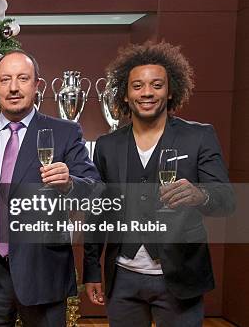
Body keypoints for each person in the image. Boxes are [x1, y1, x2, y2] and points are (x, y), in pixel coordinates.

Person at [83, 41, 235, 326]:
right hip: (122, 279)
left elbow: (226, 199)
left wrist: (200, 194)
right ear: (125, 95)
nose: (147, 93)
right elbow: (97, 212)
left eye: (156, 85)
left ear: (170, 90)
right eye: (137, 86)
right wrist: (92, 268)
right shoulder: (107, 145)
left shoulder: (199, 137)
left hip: (181, 277)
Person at [0, 50, 100, 326]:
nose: (13, 87)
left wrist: (69, 184)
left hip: (43, 272)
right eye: (5, 80)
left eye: (22, 79)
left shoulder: (65, 133)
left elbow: (93, 190)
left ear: (37, 85)